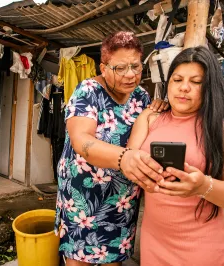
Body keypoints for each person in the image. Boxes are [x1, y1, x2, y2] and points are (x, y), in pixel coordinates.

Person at [126, 46, 224, 266]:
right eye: (177, 79)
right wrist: (140, 169)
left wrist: (203, 186)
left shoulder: (222, 129)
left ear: (210, 88)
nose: (184, 88)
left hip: (200, 249)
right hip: (154, 241)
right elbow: (129, 161)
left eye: (196, 82)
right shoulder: (150, 117)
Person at [54, 31, 169, 266]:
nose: (130, 75)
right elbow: (81, 141)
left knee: (113, 261)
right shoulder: (87, 91)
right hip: (82, 201)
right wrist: (124, 158)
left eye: (136, 67)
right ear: (103, 67)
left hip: (121, 202)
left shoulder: (141, 97)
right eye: (120, 68)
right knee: (79, 261)